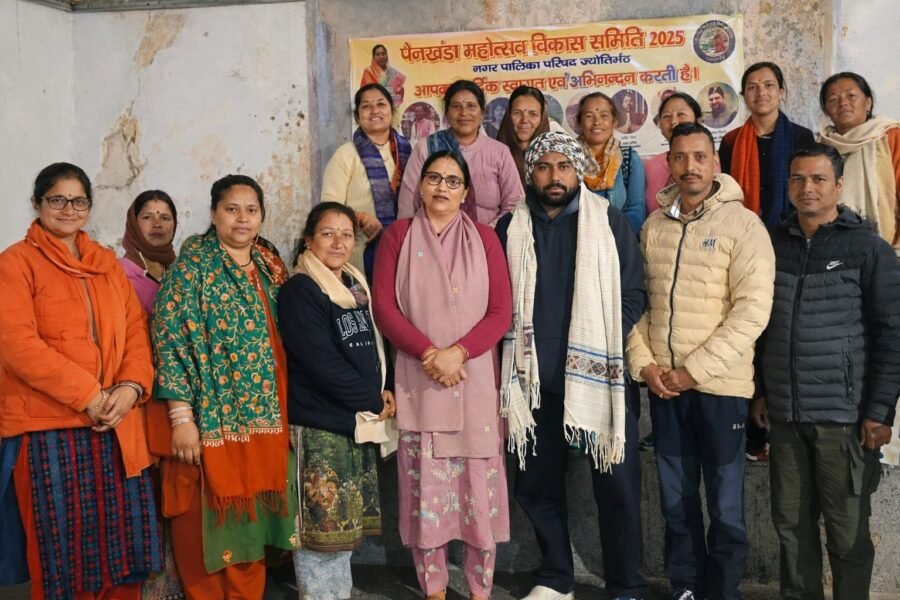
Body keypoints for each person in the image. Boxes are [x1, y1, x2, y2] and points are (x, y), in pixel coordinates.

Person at [626, 123, 775, 600]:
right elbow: (637, 304)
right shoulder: (654, 226)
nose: (689, 166)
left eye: (699, 157)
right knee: (676, 502)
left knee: (726, 508)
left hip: (720, 391)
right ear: (668, 163)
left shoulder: (743, 226)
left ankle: (723, 592)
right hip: (666, 390)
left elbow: (752, 312)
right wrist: (645, 366)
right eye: (680, 157)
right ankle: (686, 587)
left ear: (715, 163)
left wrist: (693, 372)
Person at [496, 132, 648, 600]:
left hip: (600, 379)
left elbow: (634, 293)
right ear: (531, 175)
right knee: (536, 485)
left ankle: (625, 585)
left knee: (618, 487)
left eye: (564, 166)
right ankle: (555, 577)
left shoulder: (608, 222)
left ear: (577, 171)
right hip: (535, 383)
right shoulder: (510, 228)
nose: (555, 176)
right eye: (544, 167)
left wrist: (600, 341)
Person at [0, 162, 161, 599]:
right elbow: (17, 346)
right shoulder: (15, 264)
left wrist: (130, 387)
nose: (68, 209)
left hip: (117, 424)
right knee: (64, 561)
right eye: (57, 199)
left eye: (78, 201)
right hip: (49, 427)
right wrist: (90, 396)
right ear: (37, 204)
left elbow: (136, 332)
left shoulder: (106, 265)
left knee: (124, 556)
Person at [752, 144, 900, 600]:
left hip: (844, 419)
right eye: (798, 179)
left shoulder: (868, 248)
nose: (807, 188)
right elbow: (757, 325)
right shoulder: (771, 244)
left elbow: (892, 333)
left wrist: (879, 411)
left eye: (818, 179)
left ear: (838, 186)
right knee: (791, 527)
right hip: (785, 417)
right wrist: (761, 390)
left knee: (847, 532)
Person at [373, 150, 513, 600]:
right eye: (434, 178)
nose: (442, 187)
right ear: (420, 185)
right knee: (425, 496)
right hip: (421, 380)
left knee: (478, 496)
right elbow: (384, 308)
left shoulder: (486, 239)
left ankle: (479, 590)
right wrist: (431, 354)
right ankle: (433, 589)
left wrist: (459, 353)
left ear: (466, 191)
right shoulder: (397, 236)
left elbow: (500, 312)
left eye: (453, 181)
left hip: (473, 383)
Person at [151, 174, 297, 599]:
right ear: (214, 214)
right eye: (231, 209)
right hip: (209, 428)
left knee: (254, 531)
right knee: (205, 529)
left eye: (251, 210)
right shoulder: (190, 270)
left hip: (268, 427)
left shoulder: (271, 268)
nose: (242, 219)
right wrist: (182, 418)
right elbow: (170, 342)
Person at [278, 201, 395, 599]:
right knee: (321, 536)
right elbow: (320, 362)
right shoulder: (301, 290)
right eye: (327, 234)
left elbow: (372, 348)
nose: (338, 242)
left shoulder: (354, 285)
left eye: (346, 235)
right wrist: (372, 398)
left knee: (342, 536)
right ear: (308, 240)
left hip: (351, 423)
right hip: (319, 427)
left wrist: (385, 387)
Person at [398, 79, 524, 227]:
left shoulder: (499, 152)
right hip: (434, 236)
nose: (464, 113)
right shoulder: (426, 147)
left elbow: (515, 204)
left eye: (471, 106)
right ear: (447, 113)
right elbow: (408, 204)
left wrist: (488, 233)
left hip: (490, 235)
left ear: (482, 113)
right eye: (456, 106)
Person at [321, 83, 412, 279]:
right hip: (361, 253)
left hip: (406, 249)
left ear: (392, 111)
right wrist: (360, 218)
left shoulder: (408, 152)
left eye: (381, 104)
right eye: (366, 106)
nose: (374, 111)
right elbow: (328, 207)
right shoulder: (345, 155)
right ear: (357, 117)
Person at [719, 62, 816, 226]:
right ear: (744, 97)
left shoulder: (802, 137)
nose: (761, 92)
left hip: (794, 227)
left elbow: (810, 185)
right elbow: (725, 191)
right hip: (743, 227)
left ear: (781, 93)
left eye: (768, 85)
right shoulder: (731, 140)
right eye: (752, 87)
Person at [818, 71, 900, 255]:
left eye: (851, 96)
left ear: (868, 103)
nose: (843, 103)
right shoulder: (821, 146)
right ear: (826, 110)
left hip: (886, 248)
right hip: (830, 247)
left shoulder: (891, 137)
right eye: (833, 99)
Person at [575, 92, 646, 233]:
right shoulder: (569, 161)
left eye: (604, 116)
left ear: (614, 121)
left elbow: (637, 210)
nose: (597, 122)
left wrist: (610, 238)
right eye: (589, 116)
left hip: (621, 239)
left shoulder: (629, 158)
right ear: (579, 123)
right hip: (579, 239)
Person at [644, 92, 706, 215]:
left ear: (698, 121)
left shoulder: (712, 160)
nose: (673, 121)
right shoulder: (651, 166)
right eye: (666, 116)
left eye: (681, 114)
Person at [119, 189, 178, 313]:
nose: (157, 224)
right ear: (133, 224)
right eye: (147, 217)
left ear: (174, 226)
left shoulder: (183, 272)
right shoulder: (118, 274)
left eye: (165, 218)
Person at [496, 85, 552, 186]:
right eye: (517, 113)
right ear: (508, 116)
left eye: (533, 114)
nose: (524, 120)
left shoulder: (555, 156)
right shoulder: (494, 156)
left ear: (542, 118)